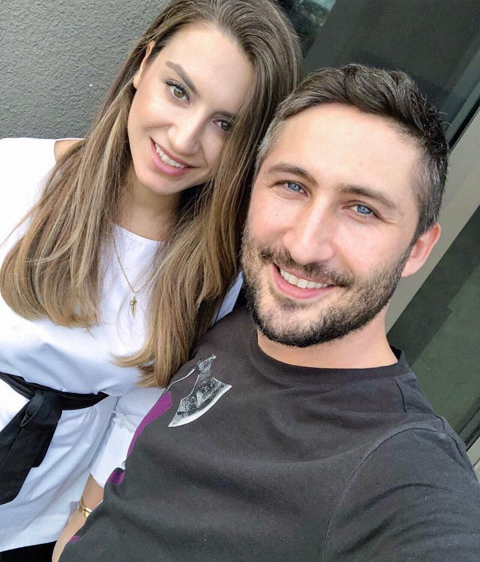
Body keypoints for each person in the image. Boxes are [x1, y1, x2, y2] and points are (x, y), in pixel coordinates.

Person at [60, 65, 480, 562]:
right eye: (292, 186)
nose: (303, 246)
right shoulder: (236, 318)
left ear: (417, 249)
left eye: (362, 209)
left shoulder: (399, 472)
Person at [0, 0, 302, 560]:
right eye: (178, 91)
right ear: (142, 66)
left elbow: (137, 412)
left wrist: (79, 528)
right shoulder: (12, 176)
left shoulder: (210, 271)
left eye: (225, 124)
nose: (184, 139)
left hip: (39, 518)